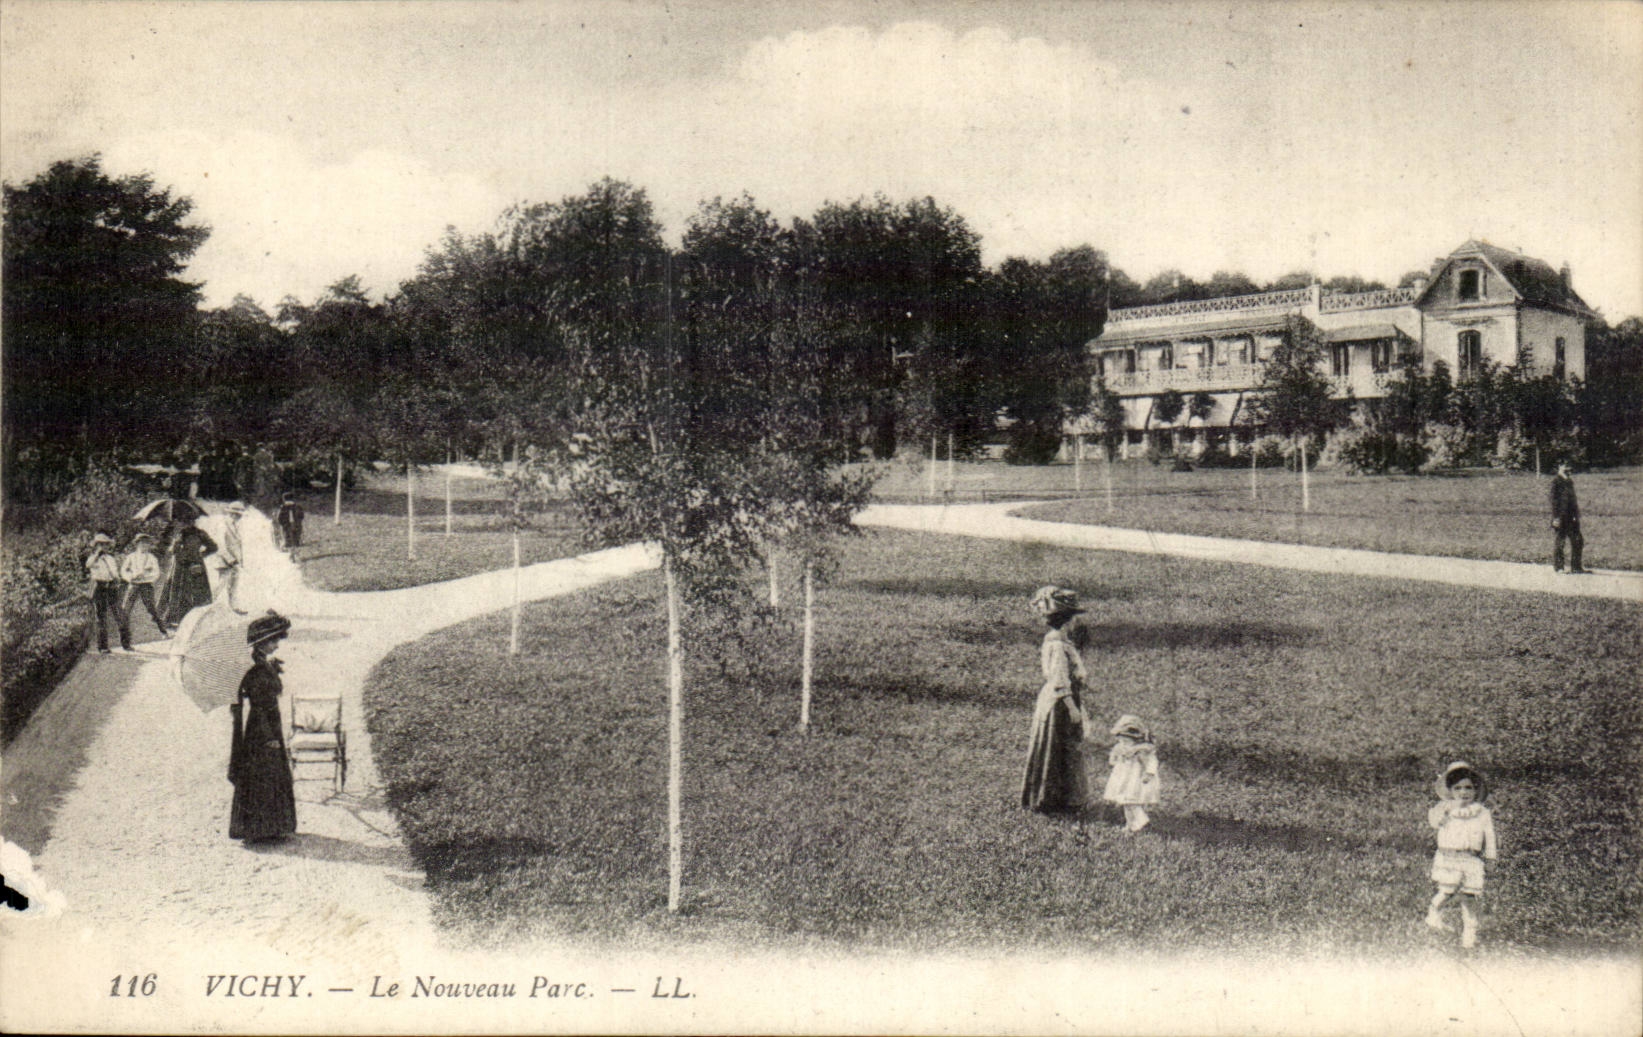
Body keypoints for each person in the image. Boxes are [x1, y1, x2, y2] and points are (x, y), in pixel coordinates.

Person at [229, 611, 298, 843]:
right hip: (262, 728)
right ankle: (261, 829)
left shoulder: (261, 664)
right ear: (261, 642)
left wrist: (273, 671)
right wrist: (269, 736)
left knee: (270, 774)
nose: (277, 645)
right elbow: (259, 706)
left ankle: (270, 828)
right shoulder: (256, 669)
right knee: (265, 774)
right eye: (273, 641)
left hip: (267, 724)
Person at [1020, 585, 1090, 814]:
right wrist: (1072, 708)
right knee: (1062, 750)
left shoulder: (1060, 641)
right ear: (1067, 621)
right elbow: (1059, 679)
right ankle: (1056, 802)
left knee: (1060, 750)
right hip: (1059, 703)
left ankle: (1057, 799)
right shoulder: (1058, 645)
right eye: (1073, 618)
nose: (1076, 623)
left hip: (1058, 699)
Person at [1425, 761, 1498, 949]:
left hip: (1471, 859)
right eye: (1458, 788)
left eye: (1468, 788)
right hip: (1449, 858)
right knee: (1447, 891)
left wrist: (1490, 857)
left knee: (1470, 896)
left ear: (1475, 790)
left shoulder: (1482, 812)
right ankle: (1434, 912)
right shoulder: (1445, 809)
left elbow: (1489, 835)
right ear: (1450, 791)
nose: (1464, 793)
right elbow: (1434, 822)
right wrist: (1444, 811)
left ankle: (1469, 933)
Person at [1103, 714, 1160, 832]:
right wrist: (1115, 757)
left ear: (1136, 739)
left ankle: (1142, 822)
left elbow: (1151, 763)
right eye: (1120, 739)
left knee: (1131, 803)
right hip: (1123, 779)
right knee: (1126, 803)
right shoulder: (1120, 747)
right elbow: (1113, 761)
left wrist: (1148, 773)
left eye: (1126, 739)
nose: (1122, 742)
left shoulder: (1141, 750)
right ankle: (1131, 825)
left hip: (1135, 779)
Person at [157, 520, 218, 628]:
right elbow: (173, 551)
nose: (187, 523)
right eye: (185, 521)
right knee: (178, 591)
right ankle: (174, 619)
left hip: (193, 565)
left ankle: (197, 619)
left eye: (189, 520)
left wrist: (200, 555)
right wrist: (178, 543)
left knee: (198, 592)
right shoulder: (181, 534)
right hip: (182, 566)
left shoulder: (199, 533)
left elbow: (213, 547)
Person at [85, 532, 131, 654]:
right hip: (98, 587)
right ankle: (103, 646)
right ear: (96, 546)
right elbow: (88, 565)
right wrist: (97, 555)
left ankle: (126, 644)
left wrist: (117, 580)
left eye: (105, 545)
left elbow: (115, 573)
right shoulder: (92, 558)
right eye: (100, 545)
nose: (103, 547)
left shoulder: (110, 559)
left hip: (110, 587)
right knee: (101, 618)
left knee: (119, 614)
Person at [119, 532, 170, 638]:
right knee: (126, 609)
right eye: (142, 543)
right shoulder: (131, 557)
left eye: (146, 544)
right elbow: (123, 571)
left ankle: (163, 631)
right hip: (133, 585)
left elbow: (156, 573)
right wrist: (131, 576)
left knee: (152, 609)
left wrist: (146, 577)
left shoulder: (151, 558)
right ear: (137, 544)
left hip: (146, 586)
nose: (144, 546)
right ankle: (125, 638)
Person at [1549, 462, 1587, 573]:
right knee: (1560, 541)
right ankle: (1559, 567)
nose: (1568, 469)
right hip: (1561, 517)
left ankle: (1576, 567)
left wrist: (1576, 515)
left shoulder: (1569, 481)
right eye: (1565, 466)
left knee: (1578, 541)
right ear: (1559, 467)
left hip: (1572, 517)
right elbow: (1554, 501)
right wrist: (1556, 518)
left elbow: (1573, 501)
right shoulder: (1556, 482)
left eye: (1569, 466)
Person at [215, 501, 248, 613]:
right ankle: (207, 605)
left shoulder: (235, 525)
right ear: (232, 513)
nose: (240, 516)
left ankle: (234, 607)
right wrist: (230, 560)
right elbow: (220, 545)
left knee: (234, 585)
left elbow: (238, 545)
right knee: (220, 585)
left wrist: (240, 560)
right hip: (225, 561)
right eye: (238, 514)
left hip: (234, 562)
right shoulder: (223, 525)